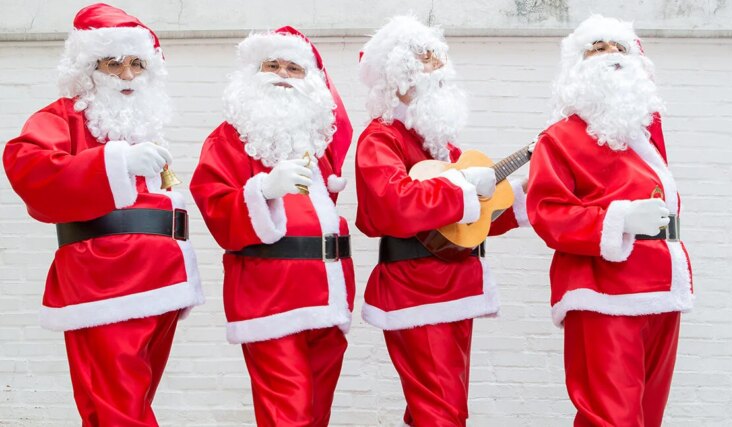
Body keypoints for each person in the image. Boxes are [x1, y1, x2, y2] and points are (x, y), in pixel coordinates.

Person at [2, 3, 205, 425]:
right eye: (114, 65)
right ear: (88, 70)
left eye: (136, 65)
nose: (128, 76)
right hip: (106, 281)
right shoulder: (64, 117)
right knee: (119, 408)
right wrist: (116, 164)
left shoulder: (142, 124)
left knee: (125, 402)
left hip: (162, 280)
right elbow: (27, 164)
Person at [355, 15, 529, 426]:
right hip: (417, 289)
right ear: (398, 76)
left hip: (454, 284)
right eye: (425, 58)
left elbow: (466, 225)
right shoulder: (381, 137)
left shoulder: (441, 145)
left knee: (437, 409)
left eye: (439, 58)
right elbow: (390, 203)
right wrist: (462, 188)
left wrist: (515, 196)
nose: (438, 67)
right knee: (441, 412)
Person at [525, 15, 694, 427]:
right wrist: (619, 219)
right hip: (602, 293)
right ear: (577, 68)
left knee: (646, 416)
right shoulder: (559, 137)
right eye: (597, 49)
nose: (611, 57)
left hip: (661, 289)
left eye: (620, 48)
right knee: (611, 418)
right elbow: (547, 212)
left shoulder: (646, 136)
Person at [189, 26, 355, 426]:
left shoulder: (320, 146)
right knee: (289, 414)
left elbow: (342, 126)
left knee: (316, 413)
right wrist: (263, 190)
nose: (282, 74)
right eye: (272, 65)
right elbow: (213, 201)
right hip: (270, 297)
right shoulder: (229, 139)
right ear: (253, 73)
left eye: (294, 68)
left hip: (328, 296)